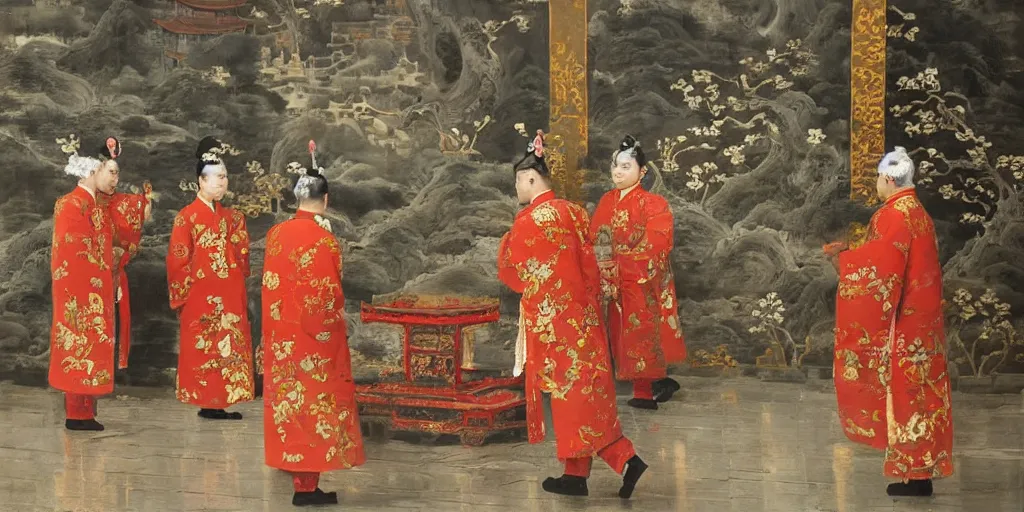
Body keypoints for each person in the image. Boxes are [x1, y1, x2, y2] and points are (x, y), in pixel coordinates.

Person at [498, 131, 647, 499]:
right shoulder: (575, 212)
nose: (516, 187)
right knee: (583, 395)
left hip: (556, 325)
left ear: (531, 178)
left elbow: (513, 269)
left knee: (573, 398)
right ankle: (576, 475)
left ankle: (625, 458)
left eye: (519, 180)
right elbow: (590, 263)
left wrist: (506, 243)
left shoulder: (530, 222)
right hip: (584, 317)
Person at [825, 146, 954, 497]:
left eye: (877, 179)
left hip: (903, 320)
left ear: (888, 178)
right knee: (922, 394)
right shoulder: (919, 212)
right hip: (923, 321)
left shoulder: (892, 215)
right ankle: (920, 472)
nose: (876, 186)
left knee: (906, 394)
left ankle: (916, 474)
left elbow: (880, 273)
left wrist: (844, 261)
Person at [260, 141, 364, 507]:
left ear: (295, 196)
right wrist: (332, 326)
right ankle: (307, 488)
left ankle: (302, 481)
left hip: (282, 337)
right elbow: (328, 295)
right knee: (315, 405)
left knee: (291, 405)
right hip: (314, 340)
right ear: (326, 198)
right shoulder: (324, 240)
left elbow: (271, 288)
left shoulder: (276, 235)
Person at [50, 135, 151, 431]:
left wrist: (113, 266)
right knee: (80, 344)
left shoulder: (96, 206)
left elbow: (111, 236)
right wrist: (110, 264)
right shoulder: (70, 204)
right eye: (107, 171)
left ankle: (85, 412)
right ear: (90, 170)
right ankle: (76, 413)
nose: (113, 178)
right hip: (79, 289)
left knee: (92, 346)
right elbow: (71, 251)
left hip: (96, 285)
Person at [589, 135, 686, 410]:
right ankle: (651, 383)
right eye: (615, 166)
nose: (618, 172)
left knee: (640, 332)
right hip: (609, 276)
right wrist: (601, 263)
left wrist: (622, 263)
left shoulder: (653, 204)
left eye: (626, 166)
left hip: (640, 279)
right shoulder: (607, 201)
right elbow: (595, 236)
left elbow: (658, 242)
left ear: (642, 171)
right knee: (613, 331)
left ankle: (644, 391)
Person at [167, 136, 255, 420]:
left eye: (225, 177)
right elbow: (178, 259)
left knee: (228, 345)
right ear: (200, 182)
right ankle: (208, 401)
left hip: (228, 293)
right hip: (200, 296)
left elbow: (241, 257)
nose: (222, 182)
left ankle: (220, 402)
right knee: (205, 349)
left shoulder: (233, 217)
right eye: (216, 177)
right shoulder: (187, 217)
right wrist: (184, 295)